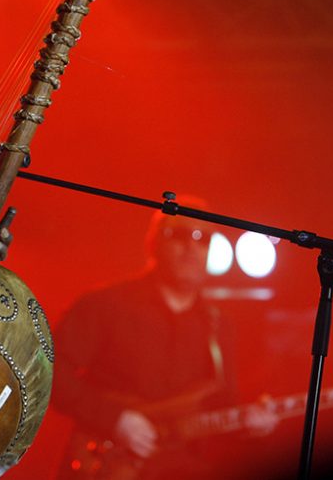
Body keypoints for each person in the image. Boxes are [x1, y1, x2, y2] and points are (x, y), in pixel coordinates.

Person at [52, 198, 277, 480]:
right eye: (179, 235)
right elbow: (50, 371)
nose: (192, 248)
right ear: (153, 243)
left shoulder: (219, 325)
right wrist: (114, 419)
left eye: (203, 238)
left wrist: (251, 424)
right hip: (105, 464)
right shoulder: (105, 305)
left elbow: (223, 405)